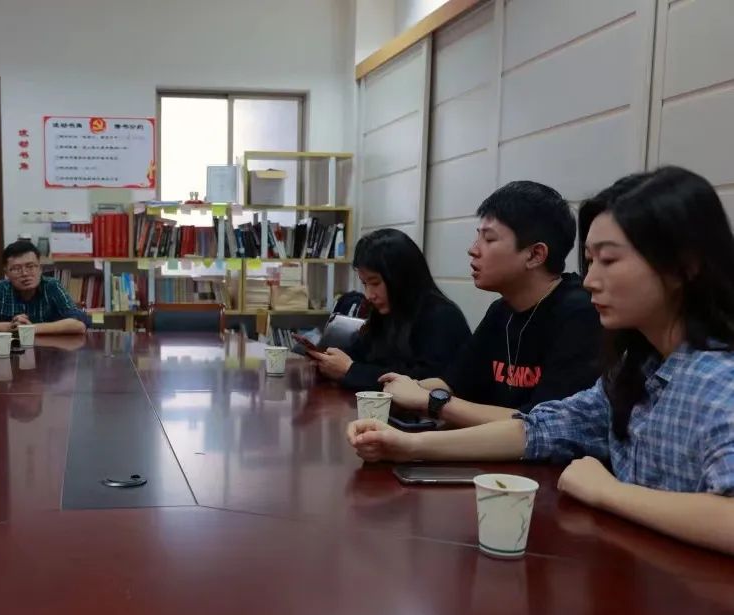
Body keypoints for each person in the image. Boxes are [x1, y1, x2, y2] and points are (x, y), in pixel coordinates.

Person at [347, 167, 734, 555]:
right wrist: (407, 446)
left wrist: (608, 491)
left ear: (683, 267)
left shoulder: (719, 379)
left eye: (609, 260)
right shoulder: (637, 367)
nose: (590, 280)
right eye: (590, 261)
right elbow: (539, 428)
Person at [379, 181, 601, 427]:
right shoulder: (501, 310)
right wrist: (401, 390)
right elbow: (454, 384)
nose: (473, 250)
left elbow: (540, 424)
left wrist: (428, 400)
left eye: (489, 239)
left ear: (535, 255)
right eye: (478, 237)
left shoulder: (580, 314)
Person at [310, 228, 470, 391]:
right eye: (364, 283)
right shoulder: (387, 311)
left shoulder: (441, 317)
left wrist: (350, 370)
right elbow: (361, 352)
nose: (368, 295)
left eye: (375, 283)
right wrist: (329, 359)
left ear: (401, 278)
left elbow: (427, 381)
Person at [0, 240, 89, 335]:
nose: (24, 273)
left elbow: (78, 324)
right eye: (16, 269)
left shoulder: (52, 286)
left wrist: (30, 329)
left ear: (40, 268)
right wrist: (9, 327)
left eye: (30, 266)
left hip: (47, 352)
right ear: (6, 273)